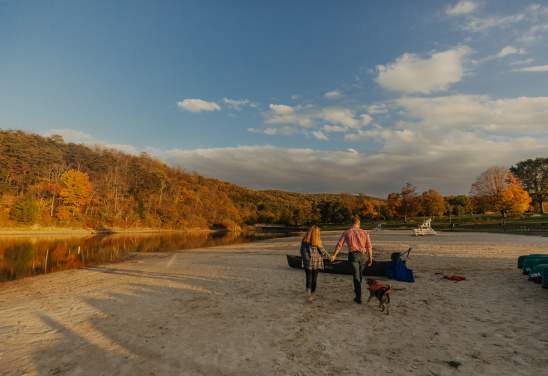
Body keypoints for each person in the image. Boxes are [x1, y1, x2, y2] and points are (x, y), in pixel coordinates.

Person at [331, 216, 373, 304]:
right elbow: (369, 246)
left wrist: (334, 255)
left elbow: (339, 245)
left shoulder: (347, 232)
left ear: (352, 223)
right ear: (359, 223)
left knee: (356, 276)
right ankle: (358, 293)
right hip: (363, 256)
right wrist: (370, 258)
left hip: (353, 256)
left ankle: (358, 297)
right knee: (360, 275)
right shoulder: (365, 232)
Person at [300, 225, 330, 302]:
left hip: (309, 263)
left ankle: (309, 293)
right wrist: (330, 257)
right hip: (316, 262)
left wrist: (307, 259)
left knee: (309, 278)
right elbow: (323, 252)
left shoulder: (305, 240)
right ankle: (311, 294)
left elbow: (303, 252)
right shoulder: (316, 241)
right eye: (318, 233)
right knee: (313, 279)